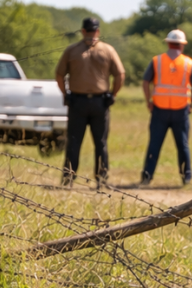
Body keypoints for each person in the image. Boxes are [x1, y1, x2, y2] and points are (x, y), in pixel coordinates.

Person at [54, 17, 124, 187]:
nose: (92, 35)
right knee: (73, 142)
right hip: (77, 101)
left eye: (94, 31)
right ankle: (69, 178)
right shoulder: (72, 50)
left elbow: (120, 74)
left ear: (98, 32)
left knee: (100, 143)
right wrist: (66, 94)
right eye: (88, 31)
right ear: (83, 31)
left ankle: (101, 179)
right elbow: (59, 74)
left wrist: (112, 95)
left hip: (100, 102)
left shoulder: (107, 50)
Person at [140, 29, 192, 187]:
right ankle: (186, 178)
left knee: (154, 145)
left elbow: (145, 81)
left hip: (159, 109)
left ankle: (147, 177)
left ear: (168, 42)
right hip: (181, 111)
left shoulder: (156, 61)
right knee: (183, 145)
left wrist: (149, 100)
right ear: (182, 45)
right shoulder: (189, 62)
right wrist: (190, 102)